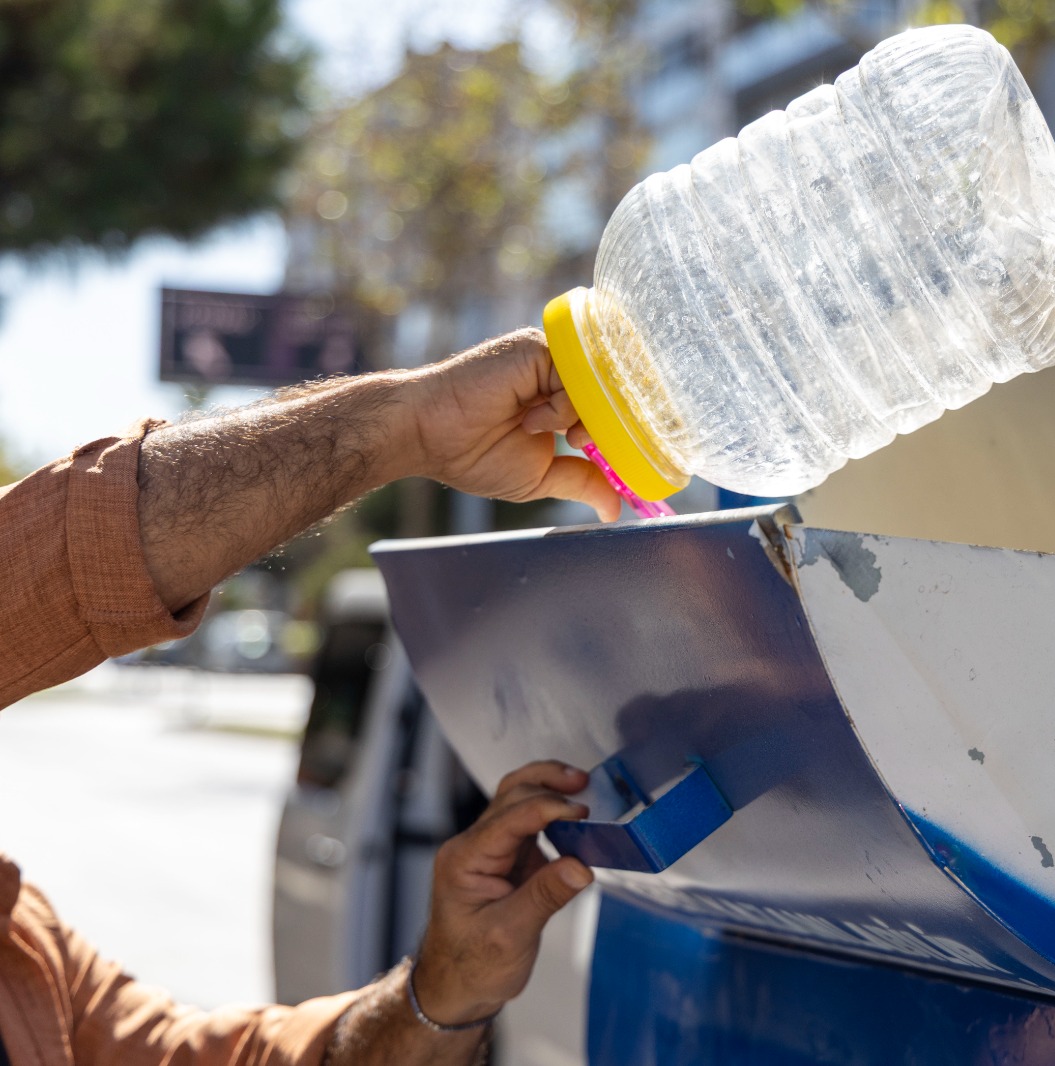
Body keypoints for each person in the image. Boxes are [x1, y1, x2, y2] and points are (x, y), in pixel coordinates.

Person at [0, 329, 623, 1064]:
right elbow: (76, 559)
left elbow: (192, 1055)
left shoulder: (22, 952)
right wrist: (404, 423)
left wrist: (441, 996)